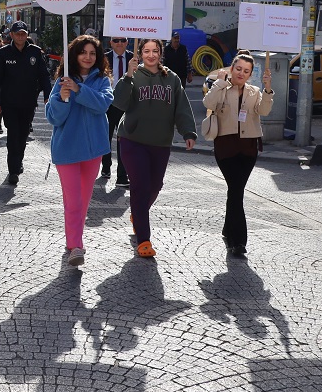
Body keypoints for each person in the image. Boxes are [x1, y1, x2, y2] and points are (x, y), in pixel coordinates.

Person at [113, 38, 197, 258]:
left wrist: (188, 131)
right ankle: (144, 239)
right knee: (140, 186)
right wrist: (128, 76)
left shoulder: (172, 79)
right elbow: (119, 103)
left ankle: (138, 213)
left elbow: (182, 108)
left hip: (160, 142)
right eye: (146, 51)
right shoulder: (133, 75)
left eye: (155, 51)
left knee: (155, 186)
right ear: (140, 53)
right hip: (132, 140)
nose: (151, 55)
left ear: (161, 53)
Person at [45, 34, 113, 267]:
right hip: (67, 150)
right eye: (83, 52)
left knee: (83, 201)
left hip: (93, 150)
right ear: (75, 55)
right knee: (73, 200)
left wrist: (79, 90)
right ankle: (76, 245)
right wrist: (63, 99)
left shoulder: (103, 80)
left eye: (92, 53)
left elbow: (102, 105)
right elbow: (54, 118)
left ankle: (73, 240)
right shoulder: (62, 81)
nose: (88, 57)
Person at [202, 51, 274, 257]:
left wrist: (268, 88)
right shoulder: (222, 87)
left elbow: (264, 111)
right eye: (238, 69)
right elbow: (208, 103)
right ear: (231, 68)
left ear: (251, 74)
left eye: (246, 71)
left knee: (236, 191)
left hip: (248, 148)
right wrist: (220, 83)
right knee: (236, 190)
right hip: (225, 146)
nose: (241, 73)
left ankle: (228, 231)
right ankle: (239, 241)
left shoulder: (254, 91)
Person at [0, 21, 50, 185]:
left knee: (23, 135)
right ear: (11, 35)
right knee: (13, 135)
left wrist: (48, 95)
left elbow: (44, 75)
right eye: (17, 34)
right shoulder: (3, 53)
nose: (20, 36)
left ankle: (19, 161)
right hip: (9, 103)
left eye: (23, 33)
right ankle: (13, 170)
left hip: (28, 102)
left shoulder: (35, 52)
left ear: (27, 35)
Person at [102, 37, 133, 185]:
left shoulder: (133, 59)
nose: (119, 43)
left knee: (124, 141)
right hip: (107, 103)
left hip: (126, 105)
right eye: (116, 40)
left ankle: (122, 176)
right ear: (111, 43)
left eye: (123, 40)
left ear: (127, 42)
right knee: (105, 138)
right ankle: (106, 166)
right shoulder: (104, 58)